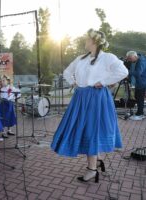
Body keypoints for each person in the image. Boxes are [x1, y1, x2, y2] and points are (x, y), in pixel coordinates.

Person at [51, 29, 128, 183]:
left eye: (87, 39)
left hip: (97, 97)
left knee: (91, 130)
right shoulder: (80, 58)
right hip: (81, 97)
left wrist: (103, 82)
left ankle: (92, 169)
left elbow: (123, 71)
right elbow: (67, 72)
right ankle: (97, 161)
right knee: (89, 129)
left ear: (94, 41)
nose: (85, 41)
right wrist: (74, 83)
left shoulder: (107, 57)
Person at [126, 51, 146, 121]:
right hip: (140, 82)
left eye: (130, 59)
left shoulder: (141, 61)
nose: (130, 61)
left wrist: (127, 72)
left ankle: (140, 114)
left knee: (140, 98)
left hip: (142, 83)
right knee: (137, 97)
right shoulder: (139, 59)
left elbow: (138, 73)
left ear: (134, 56)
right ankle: (139, 113)